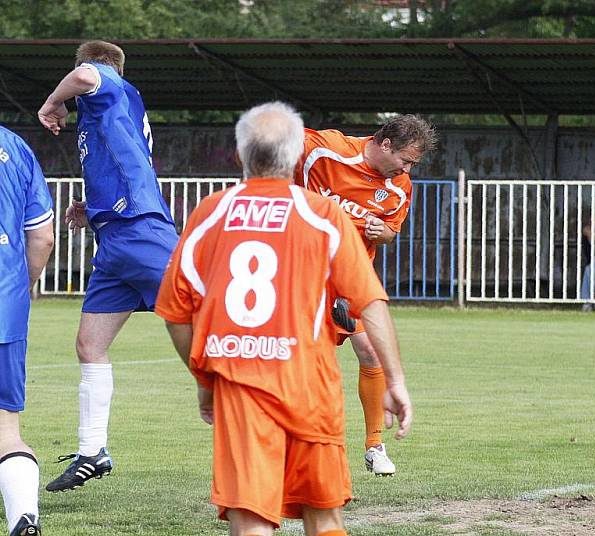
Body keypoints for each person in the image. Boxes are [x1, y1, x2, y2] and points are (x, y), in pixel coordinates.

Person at [155, 101, 412, 536]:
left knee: (253, 520)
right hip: (309, 383)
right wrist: (396, 380)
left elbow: (176, 312)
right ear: (295, 159)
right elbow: (370, 302)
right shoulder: (323, 214)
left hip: (240, 383)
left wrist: (205, 382)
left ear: (239, 157)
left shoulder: (211, 212)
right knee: (325, 516)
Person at [37, 40, 179, 491]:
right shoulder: (106, 110)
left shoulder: (107, 83)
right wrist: (91, 207)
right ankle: (92, 450)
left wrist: (52, 101)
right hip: (113, 236)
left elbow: (83, 77)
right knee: (89, 346)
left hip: (138, 229)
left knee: (210, 321)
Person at [295, 115, 435, 475]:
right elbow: (273, 141)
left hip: (351, 276)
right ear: (385, 144)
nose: (407, 169)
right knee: (308, 362)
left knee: (371, 350)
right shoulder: (327, 150)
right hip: (304, 274)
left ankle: (375, 445)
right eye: (406, 159)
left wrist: (383, 232)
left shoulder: (400, 186)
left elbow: (391, 232)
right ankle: (301, 447)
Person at [0, 125, 54, 536]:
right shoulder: (14, 146)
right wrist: (21, 288)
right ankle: (24, 517)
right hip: (5, 305)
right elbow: (42, 237)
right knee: (6, 429)